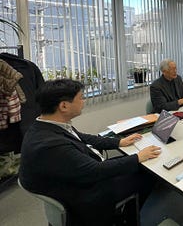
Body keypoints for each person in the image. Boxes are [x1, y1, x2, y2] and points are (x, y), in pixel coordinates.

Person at [19, 79, 161, 226]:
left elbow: (82, 137)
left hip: (80, 173)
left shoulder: (47, 124)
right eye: (81, 98)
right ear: (64, 106)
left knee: (134, 163)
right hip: (84, 194)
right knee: (146, 174)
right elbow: (95, 170)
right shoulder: (50, 145)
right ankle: (126, 218)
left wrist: (119, 142)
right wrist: (138, 157)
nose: (84, 101)